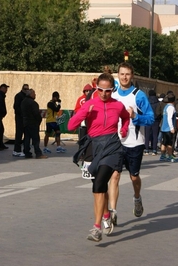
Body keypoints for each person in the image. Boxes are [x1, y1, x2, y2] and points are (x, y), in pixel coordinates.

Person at [68, 72, 130, 242]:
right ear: (96, 88)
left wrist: (124, 130)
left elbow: (126, 118)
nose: (104, 94)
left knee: (101, 180)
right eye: (100, 90)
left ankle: (96, 228)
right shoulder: (90, 104)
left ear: (113, 89)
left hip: (112, 146)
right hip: (93, 147)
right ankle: (106, 213)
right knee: (96, 184)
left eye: (108, 91)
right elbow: (70, 124)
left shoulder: (117, 105)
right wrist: (84, 113)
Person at [109, 62, 154, 225]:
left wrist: (135, 116)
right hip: (115, 142)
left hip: (135, 143)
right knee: (114, 175)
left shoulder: (139, 95)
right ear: (118, 75)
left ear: (132, 76)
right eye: (122, 74)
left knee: (134, 177)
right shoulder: (112, 94)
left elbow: (150, 118)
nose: (124, 77)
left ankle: (137, 198)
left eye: (127, 74)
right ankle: (113, 212)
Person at [21, 89, 48, 159]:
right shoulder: (33, 103)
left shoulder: (23, 102)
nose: (35, 95)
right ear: (31, 94)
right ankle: (38, 153)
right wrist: (39, 120)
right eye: (34, 93)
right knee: (35, 139)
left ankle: (26, 152)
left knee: (27, 138)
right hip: (33, 123)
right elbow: (36, 114)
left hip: (25, 122)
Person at [159, 93, 178, 162]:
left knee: (164, 142)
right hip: (168, 128)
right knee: (169, 143)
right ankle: (170, 155)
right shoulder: (171, 107)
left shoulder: (166, 106)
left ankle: (162, 155)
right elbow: (169, 118)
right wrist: (172, 128)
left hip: (164, 127)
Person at [13, 84, 29, 157]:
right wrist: (22, 114)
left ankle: (22, 149)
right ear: (22, 88)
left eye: (27, 89)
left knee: (24, 134)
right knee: (19, 134)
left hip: (24, 118)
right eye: (25, 89)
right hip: (20, 118)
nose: (26, 90)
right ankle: (17, 150)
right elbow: (16, 107)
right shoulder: (19, 96)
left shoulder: (26, 96)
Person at [144, 89, 160, 155]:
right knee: (155, 135)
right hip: (155, 120)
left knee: (147, 135)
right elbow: (159, 112)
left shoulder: (146, 101)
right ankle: (154, 150)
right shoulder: (157, 102)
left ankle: (146, 149)